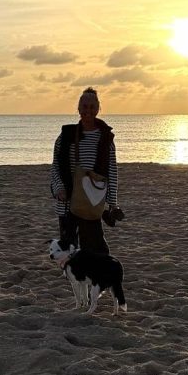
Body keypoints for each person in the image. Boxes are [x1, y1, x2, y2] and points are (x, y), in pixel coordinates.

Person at [50, 86, 118, 254]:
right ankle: (75, 280)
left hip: (92, 200)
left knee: (95, 247)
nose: (88, 111)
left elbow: (112, 170)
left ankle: (97, 279)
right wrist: (59, 188)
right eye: (84, 106)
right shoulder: (66, 135)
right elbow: (55, 165)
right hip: (67, 200)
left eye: (92, 107)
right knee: (68, 248)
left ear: (98, 108)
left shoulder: (105, 137)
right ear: (78, 108)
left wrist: (112, 203)